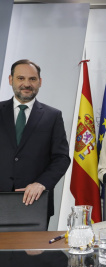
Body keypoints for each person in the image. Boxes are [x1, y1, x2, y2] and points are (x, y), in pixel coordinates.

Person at [0, 59, 70, 224]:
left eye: (32, 79)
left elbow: (61, 158)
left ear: (40, 82)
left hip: (36, 202)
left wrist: (42, 183)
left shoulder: (53, 116)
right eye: (21, 78)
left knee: (31, 250)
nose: (26, 84)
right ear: (11, 80)